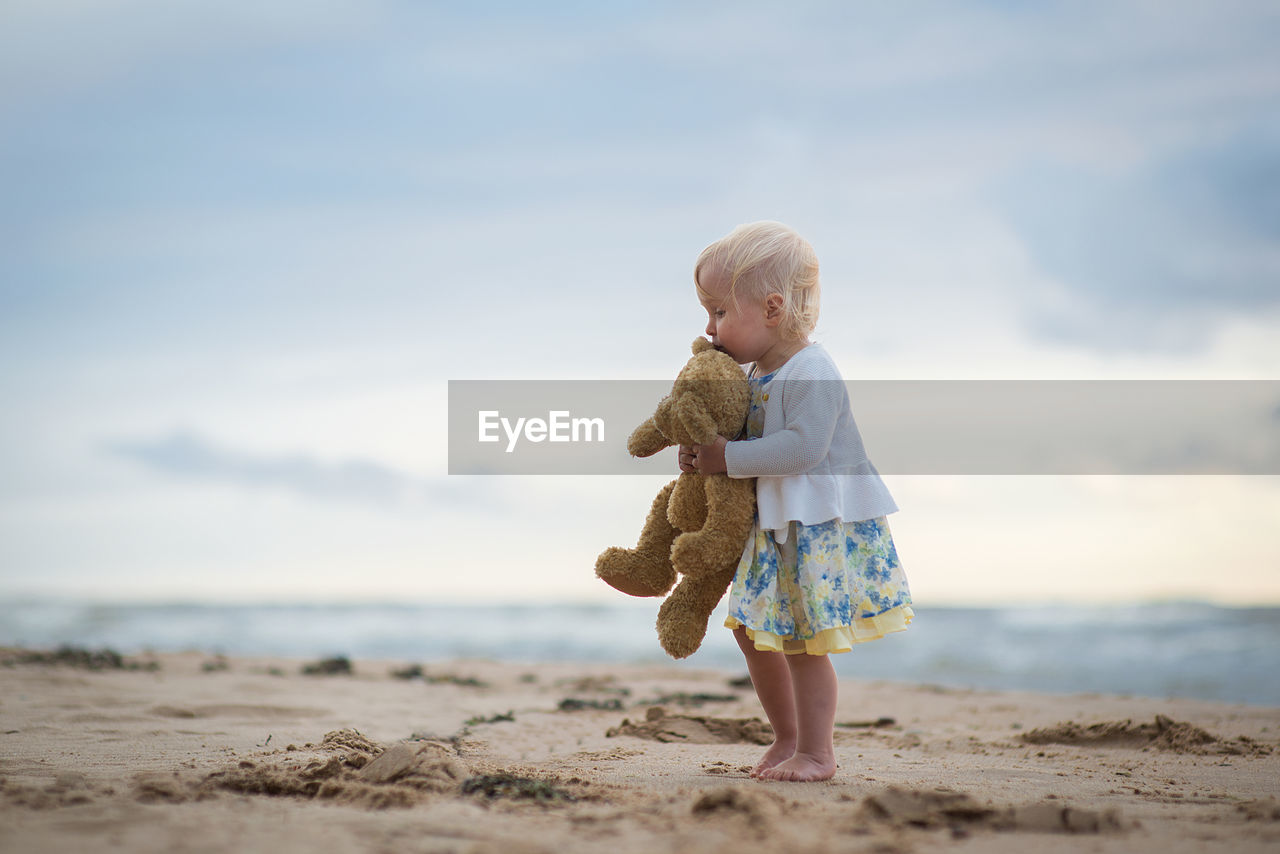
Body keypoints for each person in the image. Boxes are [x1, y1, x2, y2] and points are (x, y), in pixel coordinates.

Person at [678, 221, 913, 782]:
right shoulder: (757, 371)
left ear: (773, 308)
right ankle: (787, 737)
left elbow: (803, 449)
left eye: (719, 313)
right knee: (751, 627)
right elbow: (741, 435)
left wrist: (727, 457)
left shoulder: (812, 372)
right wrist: (702, 454)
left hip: (815, 524)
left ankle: (818, 752)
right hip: (775, 521)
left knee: (803, 639)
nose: (709, 329)